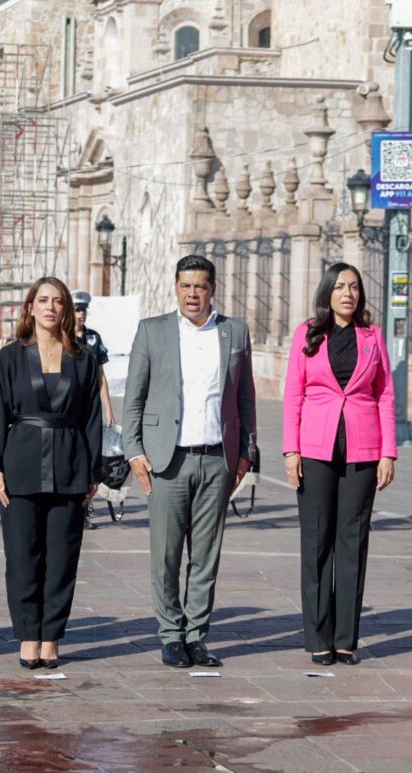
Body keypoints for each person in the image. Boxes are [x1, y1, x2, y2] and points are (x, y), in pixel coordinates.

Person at [122, 254, 257, 669]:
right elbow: (134, 399)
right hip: (168, 460)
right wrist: (134, 451)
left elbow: (246, 396)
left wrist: (248, 452)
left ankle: (197, 635)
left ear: (212, 289)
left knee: (206, 554)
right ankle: (169, 635)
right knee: (165, 553)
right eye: (185, 286)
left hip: (217, 458)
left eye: (200, 286)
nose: (192, 294)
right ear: (175, 288)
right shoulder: (152, 332)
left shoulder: (234, 332)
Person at [0, 277, 102, 669]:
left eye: (58, 301)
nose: (51, 307)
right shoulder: (11, 356)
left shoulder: (84, 357)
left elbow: (92, 418)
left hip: (70, 464)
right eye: (43, 300)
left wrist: (94, 470)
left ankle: (52, 637)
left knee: (63, 559)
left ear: (66, 310)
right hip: (21, 463)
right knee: (22, 557)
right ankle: (28, 636)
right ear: (30, 307)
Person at [283, 262, 396, 667]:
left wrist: (388, 452)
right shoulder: (307, 335)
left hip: (363, 450)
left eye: (354, 287)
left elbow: (384, 395)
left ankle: (346, 639)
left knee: (353, 542)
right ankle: (318, 637)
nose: (348, 293)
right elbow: (293, 394)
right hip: (315, 449)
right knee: (316, 542)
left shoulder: (373, 337)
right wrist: (290, 451)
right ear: (327, 292)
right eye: (340, 286)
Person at [71, 289, 114, 530]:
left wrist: (108, 408)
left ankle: (87, 508)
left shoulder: (94, 339)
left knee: (91, 456)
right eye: (77, 310)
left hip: (90, 407)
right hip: (70, 407)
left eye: (83, 310)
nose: (80, 315)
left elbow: (101, 377)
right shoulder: (62, 336)